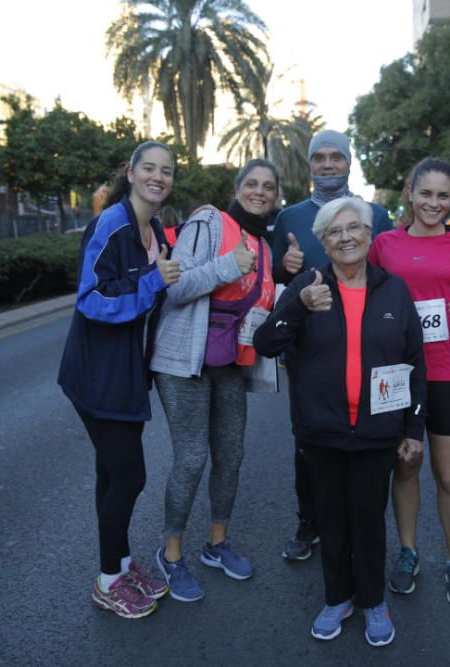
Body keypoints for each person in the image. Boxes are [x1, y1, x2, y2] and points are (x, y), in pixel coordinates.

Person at [254, 196, 426, 647]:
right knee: (331, 520)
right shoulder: (307, 287)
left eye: (355, 228)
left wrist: (413, 429)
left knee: (368, 519)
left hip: (378, 432)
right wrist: (298, 307)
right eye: (335, 231)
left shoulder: (394, 289)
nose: (346, 237)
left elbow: (413, 361)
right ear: (323, 242)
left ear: (369, 235)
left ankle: (372, 601)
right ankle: (337, 598)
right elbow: (265, 343)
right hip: (322, 432)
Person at [57, 140, 181, 619]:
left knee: (112, 474)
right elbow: (90, 300)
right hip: (96, 375)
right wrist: (152, 281)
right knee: (130, 475)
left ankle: (120, 564)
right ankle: (109, 581)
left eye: (166, 171)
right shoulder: (111, 224)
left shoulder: (156, 233)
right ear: (130, 173)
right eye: (148, 168)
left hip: (128, 375)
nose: (158, 177)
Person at [148, 159, 279, 601]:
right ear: (238, 188)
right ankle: (171, 555)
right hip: (184, 360)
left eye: (268, 187)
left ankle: (216, 545)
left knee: (232, 455)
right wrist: (228, 265)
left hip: (229, 362)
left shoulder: (265, 244)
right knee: (191, 459)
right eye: (252, 184)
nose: (259, 192)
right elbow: (176, 288)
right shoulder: (208, 222)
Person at [369, 157, 450, 606]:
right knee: (404, 465)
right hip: (397, 374)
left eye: (444, 196)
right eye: (426, 194)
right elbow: (361, 293)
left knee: (449, 474)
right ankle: (408, 552)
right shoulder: (384, 244)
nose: (434, 204)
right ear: (410, 193)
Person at [270, 129, 394, 561]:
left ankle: (366, 524)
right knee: (308, 439)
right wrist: (284, 268)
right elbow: (273, 282)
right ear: (309, 164)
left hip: (369, 344)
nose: (327, 165)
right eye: (319, 158)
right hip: (310, 350)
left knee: (371, 439)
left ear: (348, 163)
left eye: (335, 158)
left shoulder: (376, 213)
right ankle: (310, 520)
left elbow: (391, 275)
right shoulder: (290, 218)